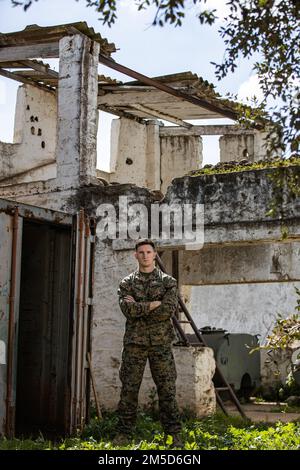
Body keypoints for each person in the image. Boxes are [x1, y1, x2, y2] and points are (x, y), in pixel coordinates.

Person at [116, 238, 182, 447]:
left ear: (155, 255)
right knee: (129, 389)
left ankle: (173, 435)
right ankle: (124, 434)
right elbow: (128, 310)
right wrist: (153, 304)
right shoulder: (126, 283)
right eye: (141, 252)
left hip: (160, 344)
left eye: (148, 252)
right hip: (135, 344)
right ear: (135, 255)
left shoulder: (168, 282)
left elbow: (167, 311)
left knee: (167, 390)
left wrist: (140, 307)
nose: (145, 256)